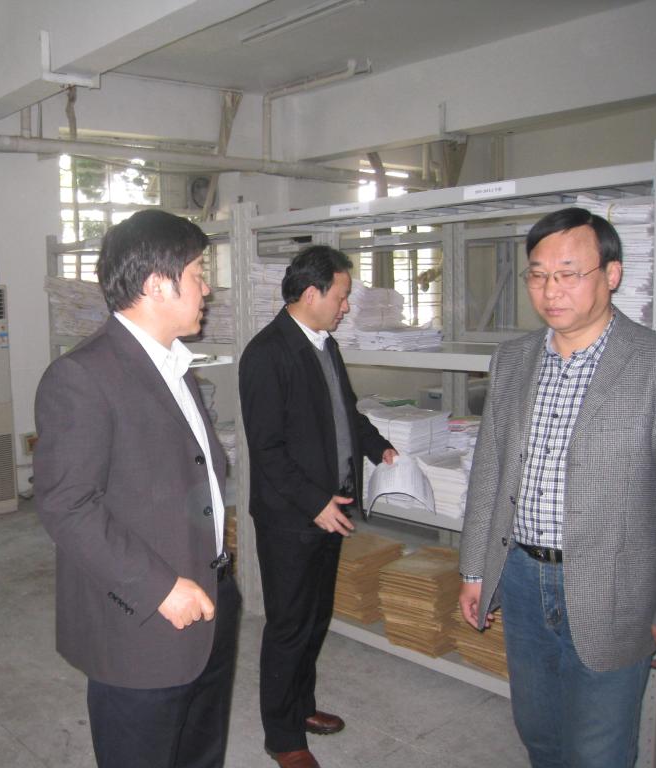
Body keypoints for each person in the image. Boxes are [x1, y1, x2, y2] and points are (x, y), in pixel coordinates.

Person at [458, 207, 656, 768]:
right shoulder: (513, 358)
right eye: (538, 275)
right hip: (521, 576)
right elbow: (489, 469)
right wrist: (474, 569)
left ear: (611, 274)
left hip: (616, 588)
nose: (551, 290)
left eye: (569, 274)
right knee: (538, 732)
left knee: (598, 749)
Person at [33, 209, 240, 768]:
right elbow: (66, 506)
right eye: (198, 275)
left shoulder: (174, 366)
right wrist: (160, 588)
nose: (207, 289)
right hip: (144, 619)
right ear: (156, 285)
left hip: (212, 596)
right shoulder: (82, 376)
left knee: (200, 754)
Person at [239, 245, 397, 768]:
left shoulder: (324, 344)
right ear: (312, 294)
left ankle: (301, 705)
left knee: (315, 618)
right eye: (341, 296)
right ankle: (282, 736)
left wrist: (377, 447)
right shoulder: (267, 354)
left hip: (333, 506)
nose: (346, 307)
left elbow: (343, 410)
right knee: (288, 625)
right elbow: (267, 449)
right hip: (293, 517)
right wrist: (313, 503)